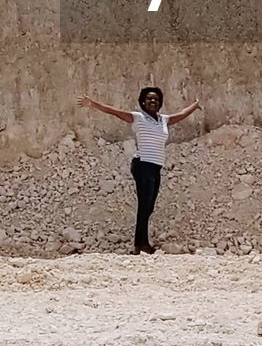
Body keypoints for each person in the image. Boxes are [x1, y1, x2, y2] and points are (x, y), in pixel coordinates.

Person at [79, 87, 201, 254]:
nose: (153, 101)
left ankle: (143, 242)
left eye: (156, 99)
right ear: (143, 102)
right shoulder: (138, 117)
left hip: (156, 166)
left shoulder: (163, 120)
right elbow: (115, 112)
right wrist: (93, 104)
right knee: (144, 205)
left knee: (149, 206)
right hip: (143, 164)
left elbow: (180, 115)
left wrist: (195, 105)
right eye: (149, 99)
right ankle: (140, 245)